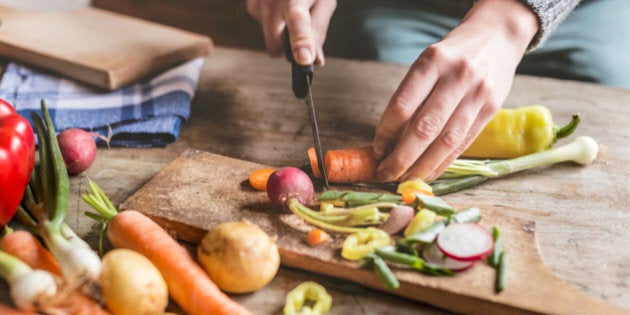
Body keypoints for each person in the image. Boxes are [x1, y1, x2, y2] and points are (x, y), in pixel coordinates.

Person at [246, 0, 630, 182]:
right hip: (403, 9)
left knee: (604, 78)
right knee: (393, 90)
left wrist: (507, 20)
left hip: (581, 11)